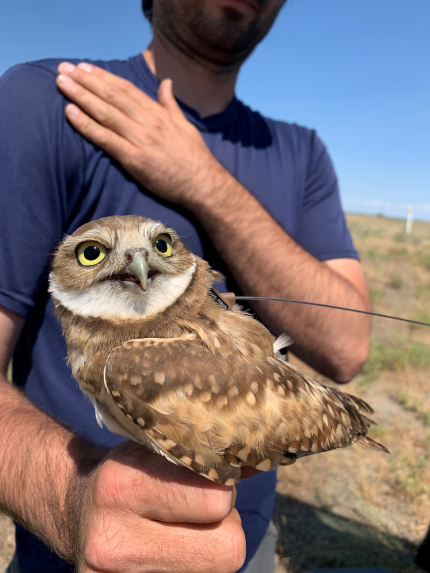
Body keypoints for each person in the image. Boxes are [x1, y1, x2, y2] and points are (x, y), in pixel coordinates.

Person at [0, 0, 372, 571]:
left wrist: (204, 182)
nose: (138, 265)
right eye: (93, 252)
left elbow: (348, 348)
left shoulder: (304, 153)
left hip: (244, 544)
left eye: (164, 247)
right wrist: (71, 498)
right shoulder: (48, 102)